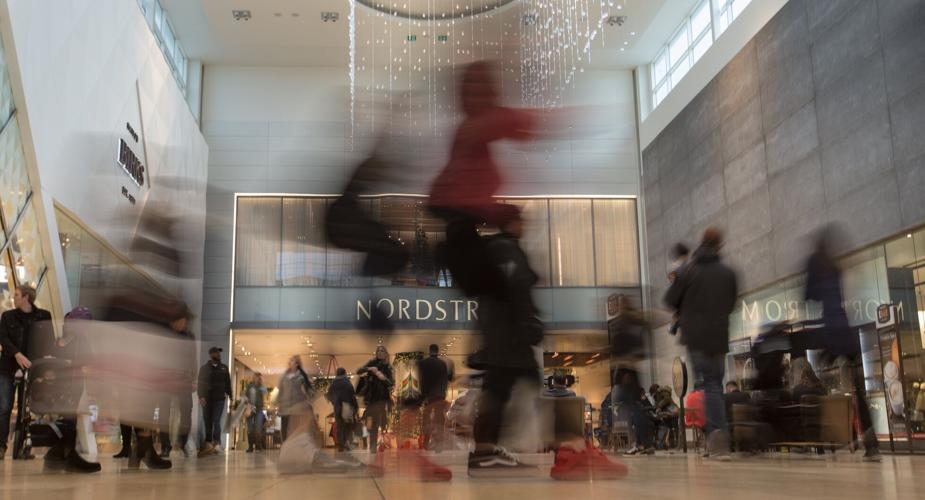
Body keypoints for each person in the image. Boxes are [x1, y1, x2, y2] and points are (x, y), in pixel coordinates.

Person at [804, 224, 880, 461]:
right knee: (858, 388)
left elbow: (809, 295)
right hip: (847, 331)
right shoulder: (834, 266)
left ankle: (835, 433)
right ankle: (871, 443)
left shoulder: (815, 262)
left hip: (831, 331)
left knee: (819, 381)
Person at [664, 227, 738, 460]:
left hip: (696, 338)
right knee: (716, 384)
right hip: (718, 337)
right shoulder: (728, 273)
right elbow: (731, 304)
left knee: (707, 385)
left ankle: (715, 440)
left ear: (702, 243)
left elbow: (669, 299)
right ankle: (718, 440)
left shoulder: (688, 271)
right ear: (720, 245)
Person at [0, 285, 52, 460]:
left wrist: (39, 365)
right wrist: (17, 354)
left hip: (32, 368)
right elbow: (4, 338)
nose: (13, 297)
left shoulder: (43, 316)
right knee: (4, 407)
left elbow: (47, 341)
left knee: (26, 409)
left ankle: (22, 446)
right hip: (7, 367)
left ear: (26, 298)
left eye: (16, 294)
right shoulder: (7, 316)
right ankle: (1, 445)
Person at [159, 309, 197, 458]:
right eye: (179, 321)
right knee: (164, 415)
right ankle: (165, 446)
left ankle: (182, 442)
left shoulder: (189, 337)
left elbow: (192, 359)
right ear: (172, 322)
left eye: (184, 321)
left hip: (184, 380)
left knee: (186, 413)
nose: (182, 324)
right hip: (165, 381)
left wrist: (193, 378)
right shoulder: (164, 335)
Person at [357, 345, 394, 453]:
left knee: (377, 422)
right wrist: (370, 369)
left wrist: (380, 375)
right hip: (371, 398)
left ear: (385, 353)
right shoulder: (372, 363)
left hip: (381, 399)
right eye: (378, 351)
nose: (380, 352)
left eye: (382, 351)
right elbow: (359, 370)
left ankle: (375, 445)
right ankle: (373, 445)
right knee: (371, 423)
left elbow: (391, 383)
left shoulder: (388, 368)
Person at [197, 346, 232, 457]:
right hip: (207, 399)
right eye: (217, 353)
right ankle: (208, 443)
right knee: (207, 421)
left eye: (219, 353)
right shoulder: (204, 368)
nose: (219, 355)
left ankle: (217, 443)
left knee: (216, 420)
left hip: (219, 399)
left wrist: (231, 396)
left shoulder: (224, 368)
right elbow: (200, 383)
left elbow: (228, 383)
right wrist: (201, 396)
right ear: (211, 354)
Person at [417, 344, 452, 452]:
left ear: (430, 350)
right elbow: (447, 379)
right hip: (440, 395)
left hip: (429, 396)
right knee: (439, 418)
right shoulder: (443, 364)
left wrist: (423, 395)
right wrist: (443, 393)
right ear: (437, 351)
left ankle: (426, 443)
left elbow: (422, 380)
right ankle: (439, 444)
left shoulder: (424, 363)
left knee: (426, 418)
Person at [277, 355, 312, 442]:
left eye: (292, 360)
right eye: (290, 360)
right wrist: (278, 403)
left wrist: (307, 402)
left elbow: (308, 391)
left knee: (294, 429)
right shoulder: (284, 376)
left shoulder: (301, 376)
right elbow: (280, 390)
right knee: (284, 428)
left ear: (297, 364)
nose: (290, 362)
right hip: (285, 407)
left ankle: (293, 447)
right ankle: (285, 446)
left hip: (296, 407)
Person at [326, 367, 358, 454]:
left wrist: (335, 402)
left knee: (339, 427)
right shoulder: (347, 383)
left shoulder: (333, 383)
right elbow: (352, 396)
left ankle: (341, 445)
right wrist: (355, 408)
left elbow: (329, 395)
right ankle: (347, 443)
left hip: (337, 408)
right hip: (347, 407)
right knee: (347, 426)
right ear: (344, 373)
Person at [245, 373, 268, 453]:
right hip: (250, 409)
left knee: (258, 428)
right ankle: (250, 447)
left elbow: (265, 395)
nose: (256, 378)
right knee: (250, 428)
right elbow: (245, 396)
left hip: (259, 410)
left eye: (258, 377)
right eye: (255, 377)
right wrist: (246, 403)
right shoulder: (249, 386)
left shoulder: (262, 387)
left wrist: (263, 384)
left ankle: (258, 446)